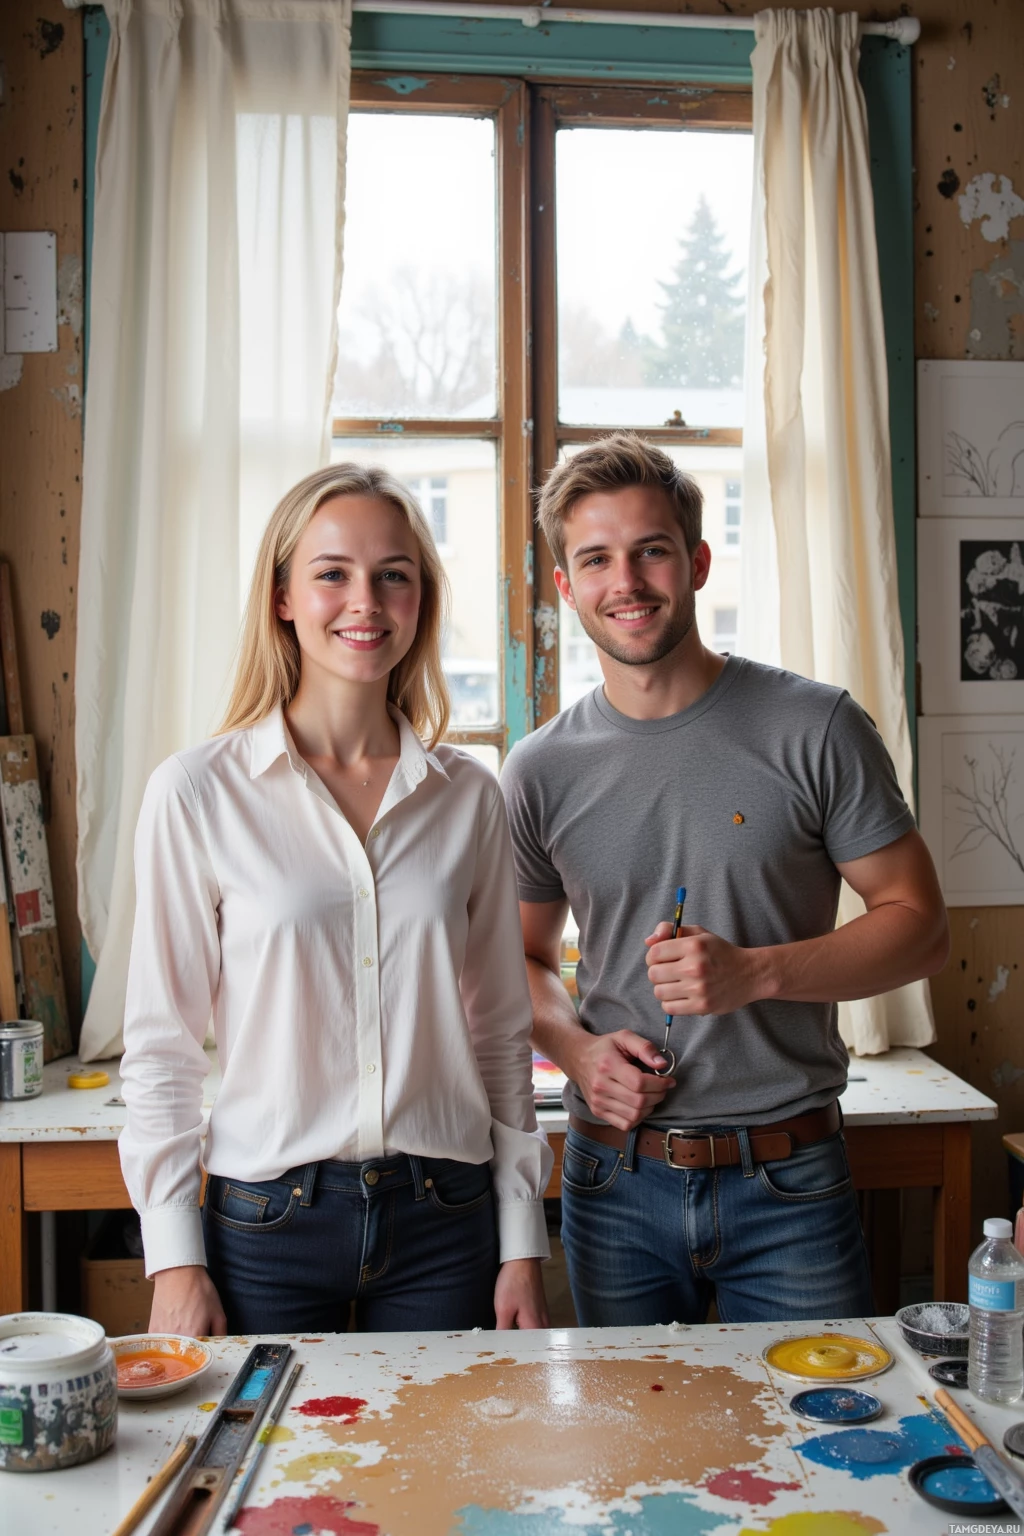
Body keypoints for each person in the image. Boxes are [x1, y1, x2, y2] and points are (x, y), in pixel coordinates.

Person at [500, 432, 948, 1327]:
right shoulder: (538, 769)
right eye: (595, 559)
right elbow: (521, 962)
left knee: (826, 1451)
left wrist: (757, 973)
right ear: (565, 588)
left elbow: (922, 927)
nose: (624, 581)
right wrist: (581, 1055)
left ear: (697, 563)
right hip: (611, 1173)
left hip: (791, 1176)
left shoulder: (815, 726)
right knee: (630, 1456)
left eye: (651, 551)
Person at [119, 463, 551, 1336]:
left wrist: (521, 1241)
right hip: (264, 1225)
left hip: (446, 1217)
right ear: (282, 596)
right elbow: (162, 1049)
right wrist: (173, 1260)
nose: (366, 600)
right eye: (332, 573)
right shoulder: (197, 793)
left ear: (420, 598)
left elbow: (499, 1033)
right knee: (260, 1470)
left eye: (394, 574)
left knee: (441, 1473)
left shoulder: (468, 796)